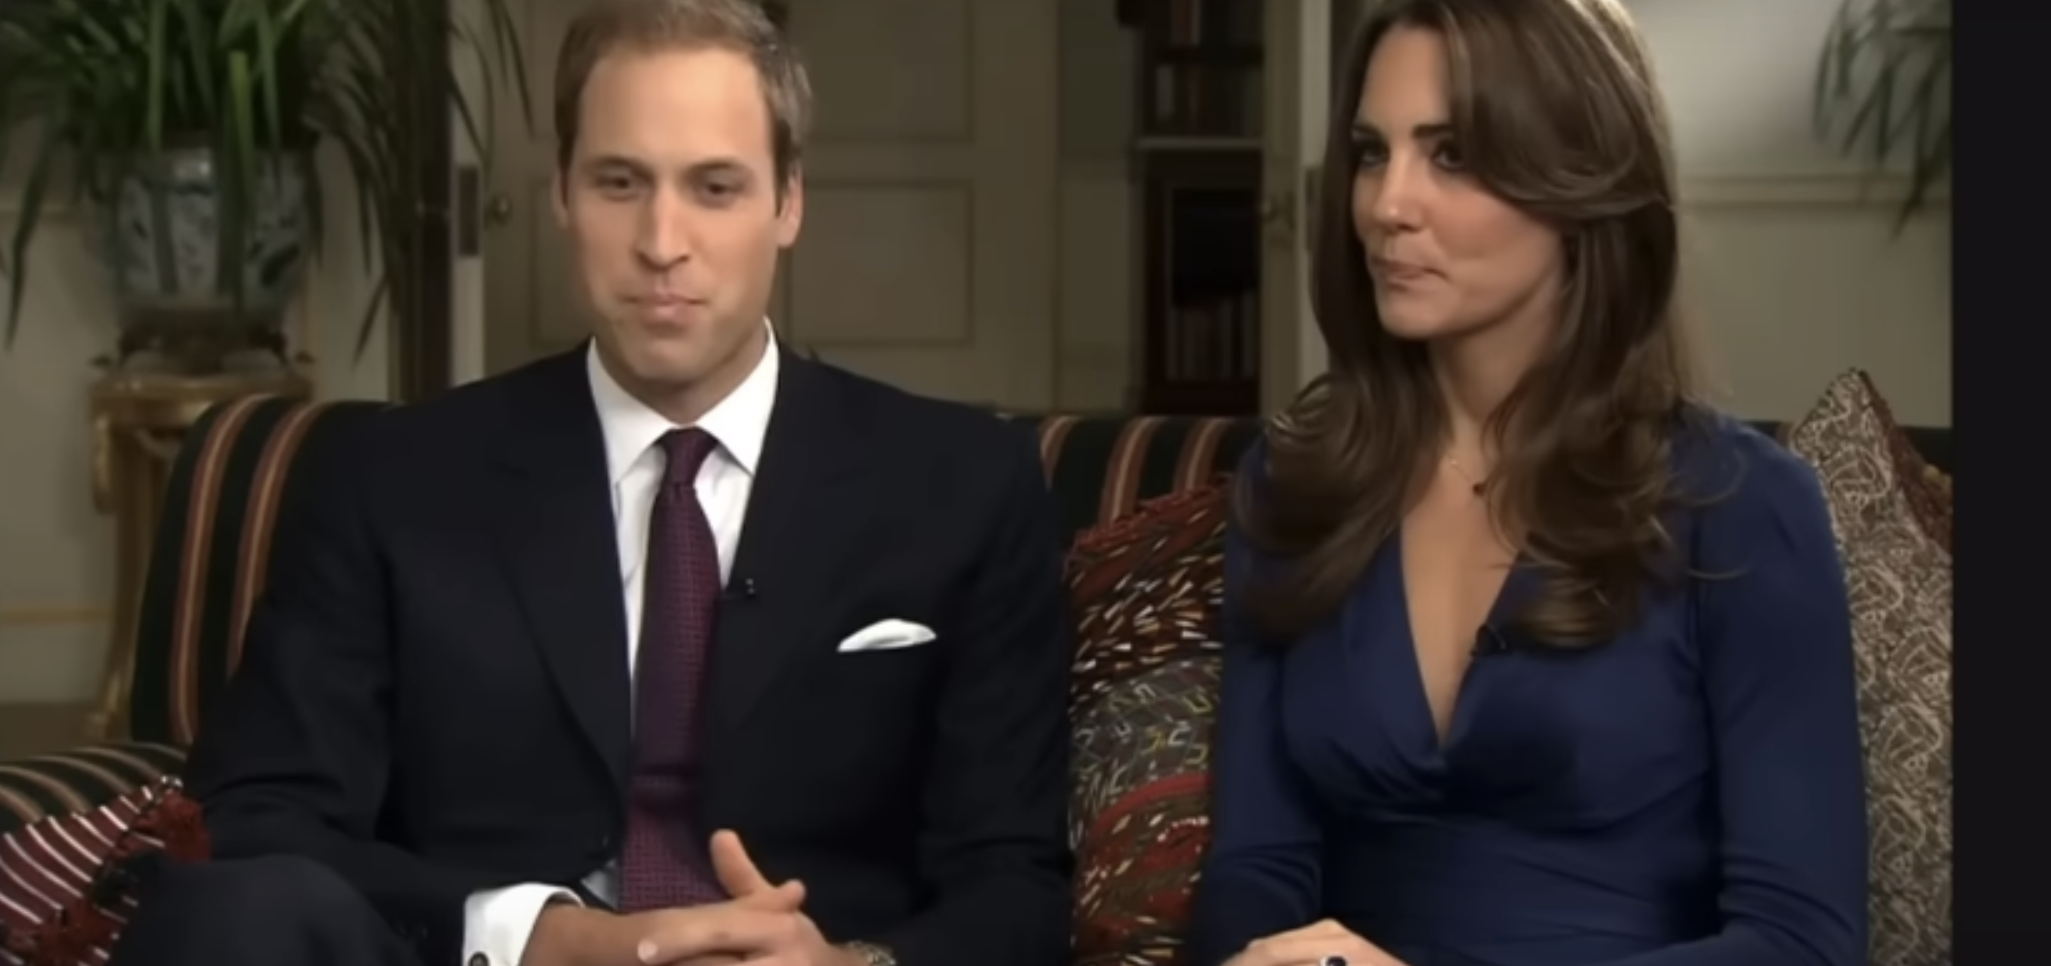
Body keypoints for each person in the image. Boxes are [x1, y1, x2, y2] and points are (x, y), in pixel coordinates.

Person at [104, 3, 1074, 966]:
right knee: (230, 915)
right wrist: (538, 936)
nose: (661, 241)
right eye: (620, 182)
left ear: (788, 203)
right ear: (561, 194)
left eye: (714, 188)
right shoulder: (388, 478)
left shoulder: (963, 487)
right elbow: (257, 818)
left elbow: (1014, 881)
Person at [1188, 1, 1870, 965]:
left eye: (1451, 154)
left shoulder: (1742, 509)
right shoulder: (1297, 481)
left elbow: (1802, 942)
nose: (1387, 205)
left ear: (1582, 183)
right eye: (1372, 153)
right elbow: (1255, 864)